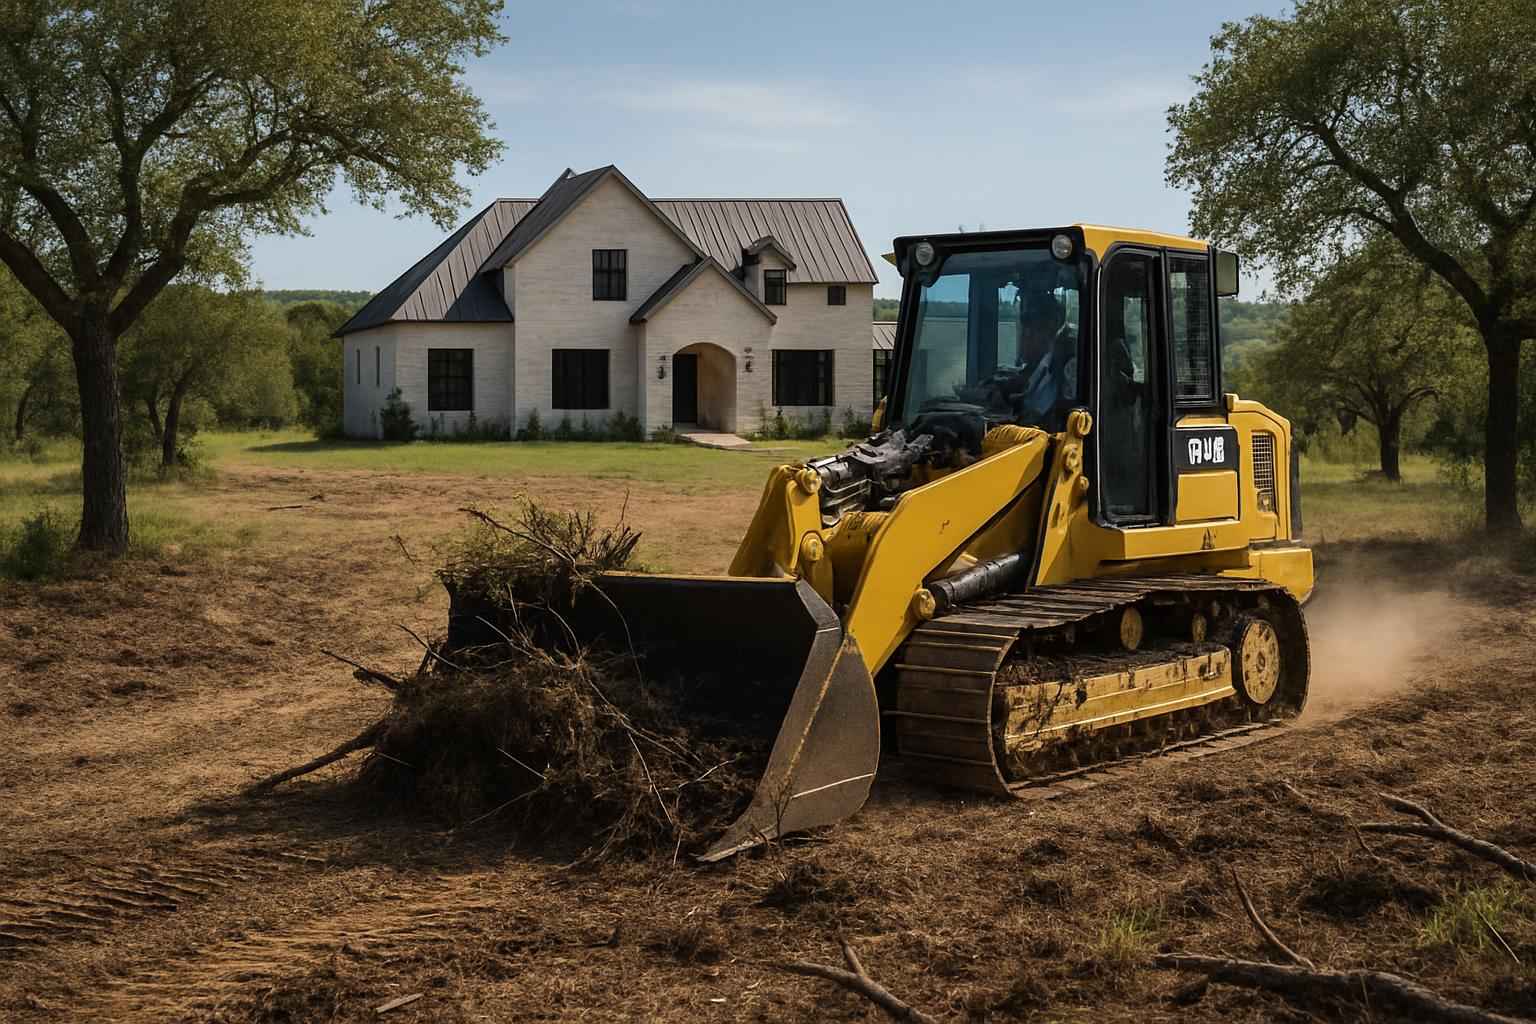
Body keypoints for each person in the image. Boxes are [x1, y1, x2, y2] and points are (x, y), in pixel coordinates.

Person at [1013, 289, 1077, 426]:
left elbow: (1065, 416)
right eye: (1025, 332)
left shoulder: (1069, 366)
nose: (1025, 339)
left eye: (1031, 332)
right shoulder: (1041, 365)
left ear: (1050, 328)